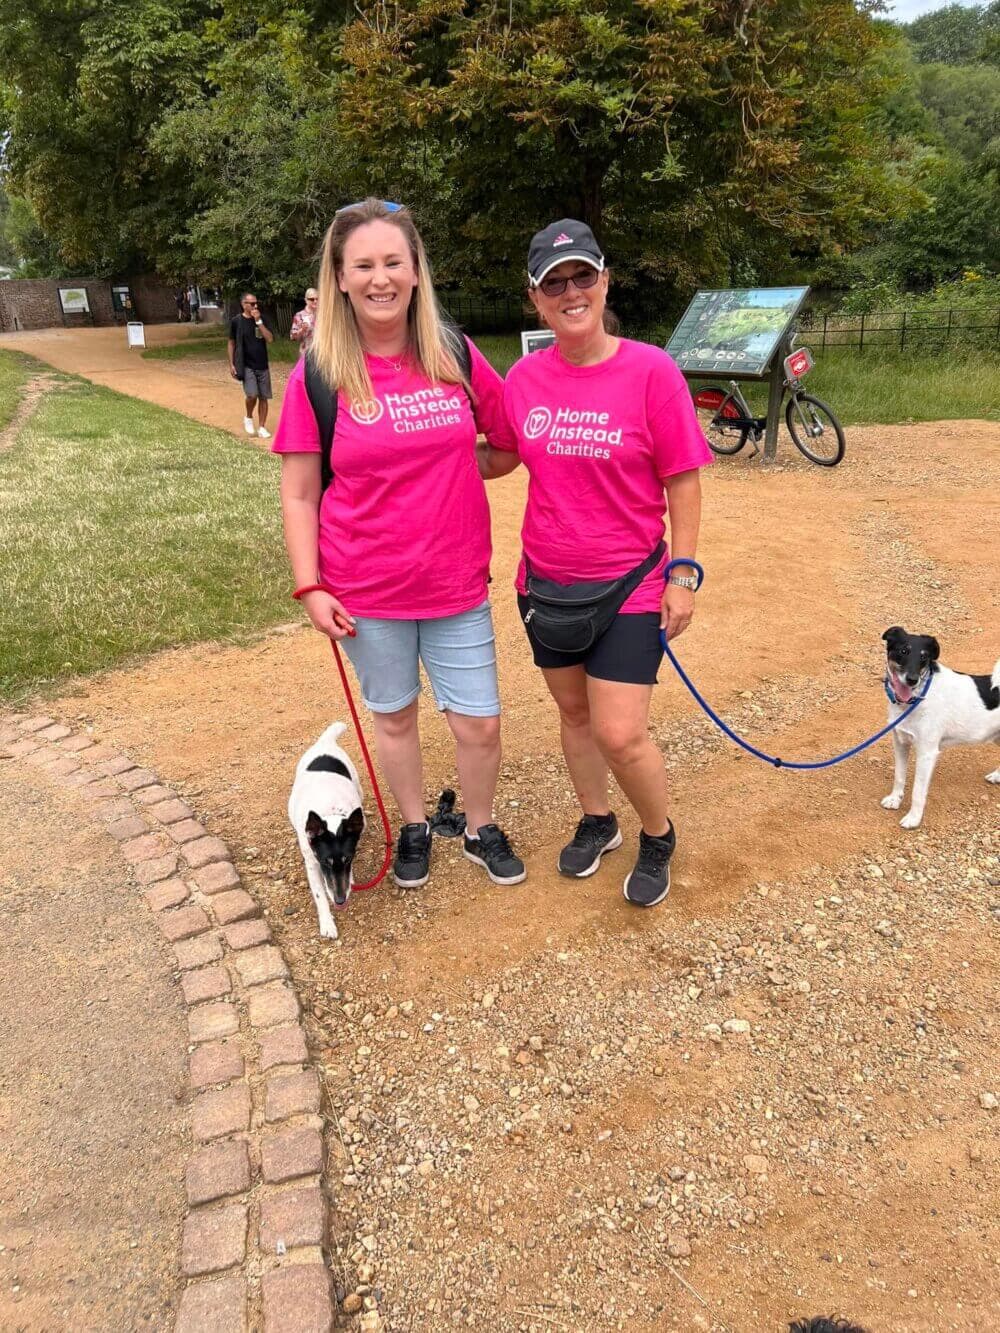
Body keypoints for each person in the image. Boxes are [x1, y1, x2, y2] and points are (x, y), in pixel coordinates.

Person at [272, 198, 525, 890]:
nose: (380, 277)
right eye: (364, 265)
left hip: (455, 585)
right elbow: (299, 491)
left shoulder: (452, 351)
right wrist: (311, 585)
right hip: (366, 591)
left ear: (415, 271)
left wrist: (461, 465)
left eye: (393, 261)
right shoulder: (318, 373)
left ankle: (480, 825)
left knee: (479, 724)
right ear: (341, 278)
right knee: (395, 717)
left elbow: (507, 439)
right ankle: (413, 826)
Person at [480, 218, 712, 909]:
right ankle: (597, 819)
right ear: (535, 298)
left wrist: (683, 571)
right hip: (546, 583)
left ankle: (657, 831)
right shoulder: (524, 378)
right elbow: (502, 454)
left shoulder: (650, 371)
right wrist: (426, 456)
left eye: (583, 276)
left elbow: (684, 478)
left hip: (631, 582)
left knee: (620, 730)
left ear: (605, 281)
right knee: (576, 716)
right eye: (556, 283)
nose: (571, 291)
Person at [228, 293, 274, 439]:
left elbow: (270, 339)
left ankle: (261, 427)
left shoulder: (262, 319)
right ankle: (248, 416)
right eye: (251, 303)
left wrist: (259, 321)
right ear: (243, 304)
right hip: (246, 364)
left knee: (264, 397)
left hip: (262, 363)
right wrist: (231, 364)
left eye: (256, 303)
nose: (255, 306)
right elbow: (231, 343)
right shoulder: (236, 321)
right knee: (252, 394)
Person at [290, 288, 318, 355]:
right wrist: (302, 330)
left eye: (317, 299)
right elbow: (293, 337)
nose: (315, 301)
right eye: (312, 299)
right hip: (306, 353)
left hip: (323, 353)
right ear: (306, 300)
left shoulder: (323, 315)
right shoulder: (299, 316)